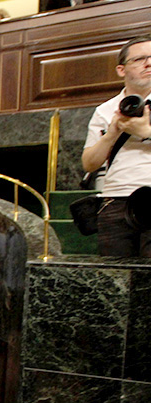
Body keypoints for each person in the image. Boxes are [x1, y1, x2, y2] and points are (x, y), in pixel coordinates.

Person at [81, 36, 151, 257]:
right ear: (121, 70)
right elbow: (89, 163)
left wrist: (145, 133)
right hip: (115, 201)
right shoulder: (105, 110)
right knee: (114, 279)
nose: (149, 63)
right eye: (139, 59)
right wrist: (111, 134)